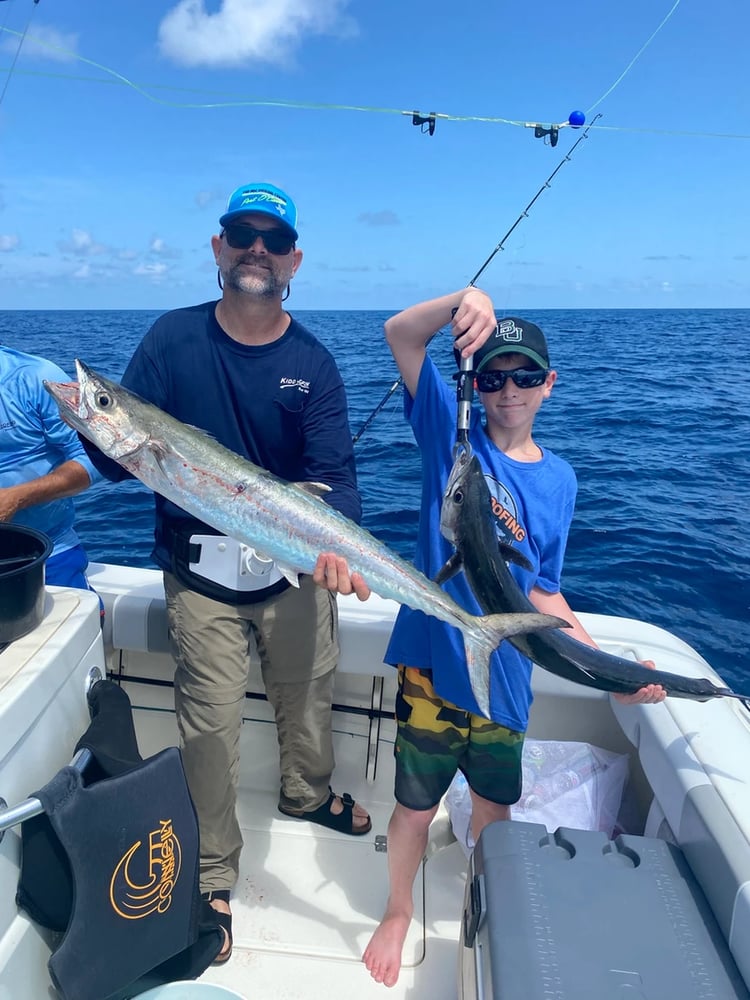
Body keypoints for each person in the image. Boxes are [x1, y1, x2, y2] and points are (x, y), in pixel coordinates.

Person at [76, 182, 371, 964]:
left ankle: (306, 795)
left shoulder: (314, 362)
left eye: (273, 240)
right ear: (216, 248)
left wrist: (337, 551)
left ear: (294, 262)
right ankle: (212, 873)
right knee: (209, 729)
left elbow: (336, 480)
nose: (256, 250)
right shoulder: (171, 343)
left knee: (309, 695)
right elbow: (115, 464)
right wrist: (95, 424)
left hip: (295, 572)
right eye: (241, 234)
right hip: (199, 577)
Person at [358, 287, 667, 987]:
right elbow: (401, 335)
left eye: (526, 376)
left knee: (494, 813)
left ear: (549, 385)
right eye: (493, 377)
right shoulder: (450, 436)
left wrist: (610, 669)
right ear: (477, 383)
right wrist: (464, 302)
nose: (509, 391)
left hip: (507, 680)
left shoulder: (560, 480)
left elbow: (544, 591)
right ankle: (400, 907)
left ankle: (483, 894)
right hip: (435, 671)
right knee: (413, 806)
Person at [0, 345, 100, 592]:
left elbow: (93, 459)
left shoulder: (35, 377)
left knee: (73, 626)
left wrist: (16, 498)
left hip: (47, 553)